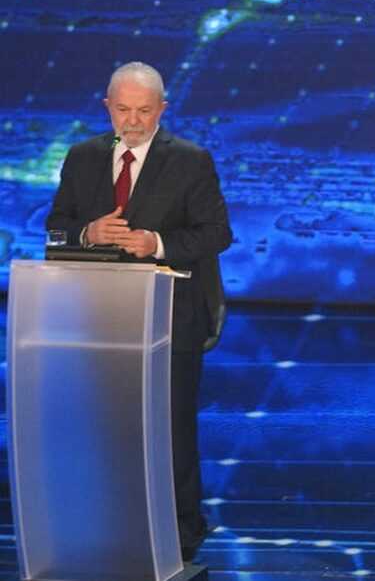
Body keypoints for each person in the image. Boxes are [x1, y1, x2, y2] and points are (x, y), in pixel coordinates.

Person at [46, 62, 232, 562]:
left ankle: (182, 535)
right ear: (107, 107)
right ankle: (106, 524)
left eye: (144, 111)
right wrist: (87, 233)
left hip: (170, 318)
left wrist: (157, 242)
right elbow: (55, 230)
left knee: (171, 430)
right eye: (123, 110)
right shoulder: (82, 157)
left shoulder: (190, 161)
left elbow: (217, 233)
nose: (132, 121)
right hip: (99, 317)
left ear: (162, 110)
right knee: (105, 427)